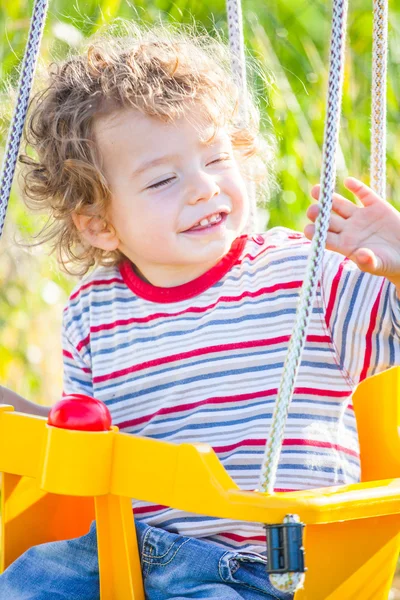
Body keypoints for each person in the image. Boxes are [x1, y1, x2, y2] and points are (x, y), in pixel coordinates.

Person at [0, 21, 399, 600]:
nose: (204, 188)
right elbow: (89, 442)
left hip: (259, 568)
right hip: (121, 548)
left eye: (216, 159)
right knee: (24, 582)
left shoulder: (306, 275)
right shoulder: (94, 312)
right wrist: (27, 416)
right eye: (164, 179)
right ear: (99, 223)